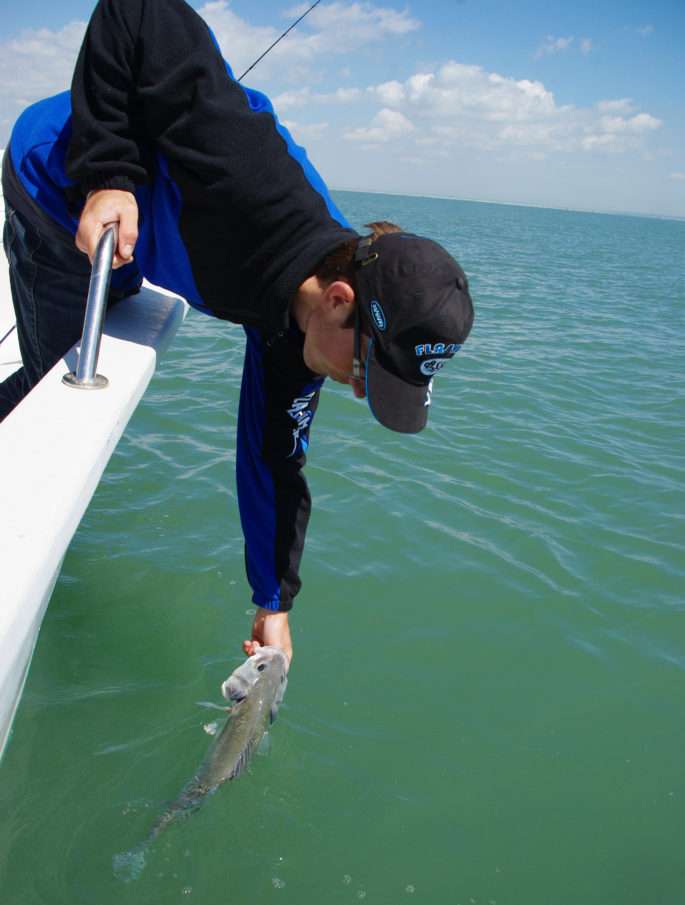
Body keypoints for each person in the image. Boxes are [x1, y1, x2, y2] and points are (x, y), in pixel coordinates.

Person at [1, 0, 474, 668]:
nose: (357, 386)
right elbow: (136, 10)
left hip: (151, 230)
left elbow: (274, 459)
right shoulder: (247, 172)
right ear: (339, 301)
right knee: (52, 388)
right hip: (54, 180)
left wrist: (273, 601)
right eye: (368, 369)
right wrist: (109, 175)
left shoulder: (306, 332)